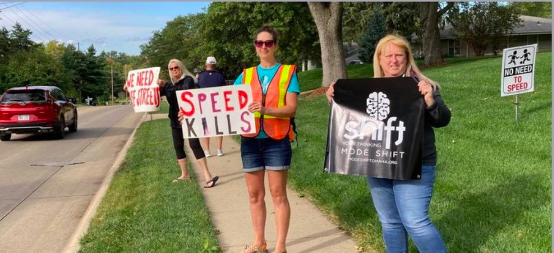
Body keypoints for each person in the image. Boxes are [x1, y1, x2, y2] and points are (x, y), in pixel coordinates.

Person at [326, 34, 451, 253]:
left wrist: (430, 101)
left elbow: (442, 120)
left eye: (399, 55)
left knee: (415, 222)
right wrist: (336, 101)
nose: (393, 60)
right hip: (377, 162)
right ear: (380, 60)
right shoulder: (366, 90)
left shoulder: (422, 86)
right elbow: (352, 122)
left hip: (414, 163)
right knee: (390, 222)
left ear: (407, 58)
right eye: (388, 56)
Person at [235, 24, 299, 253]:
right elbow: (225, 105)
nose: (264, 47)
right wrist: (194, 115)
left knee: (278, 194)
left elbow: (291, 109)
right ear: (255, 46)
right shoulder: (246, 74)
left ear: (275, 45)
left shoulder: (288, 72)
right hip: (250, 140)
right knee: (254, 195)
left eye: (268, 43)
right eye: (259, 43)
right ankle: (259, 241)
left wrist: (265, 110)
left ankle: (280, 245)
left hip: (276, 140)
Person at [156, 59, 219, 188]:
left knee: (194, 144)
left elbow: (182, 91)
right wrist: (133, 87)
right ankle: (184, 174)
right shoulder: (169, 84)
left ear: (181, 68)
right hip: (175, 119)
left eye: (176, 67)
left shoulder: (188, 80)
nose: (174, 70)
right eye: (171, 68)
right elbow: (154, 93)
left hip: (189, 118)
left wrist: (165, 84)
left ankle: (207, 175)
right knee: (178, 146)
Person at [197, 56, 226, 157]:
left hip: (204, 105)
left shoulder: (201, 76)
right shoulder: (220, 76)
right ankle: (219, 149)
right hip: (218, 105)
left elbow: (197, 89)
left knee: (206, 128)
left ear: (206, 64)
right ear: (215, 65)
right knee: (219, 127)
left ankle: (207, 150)